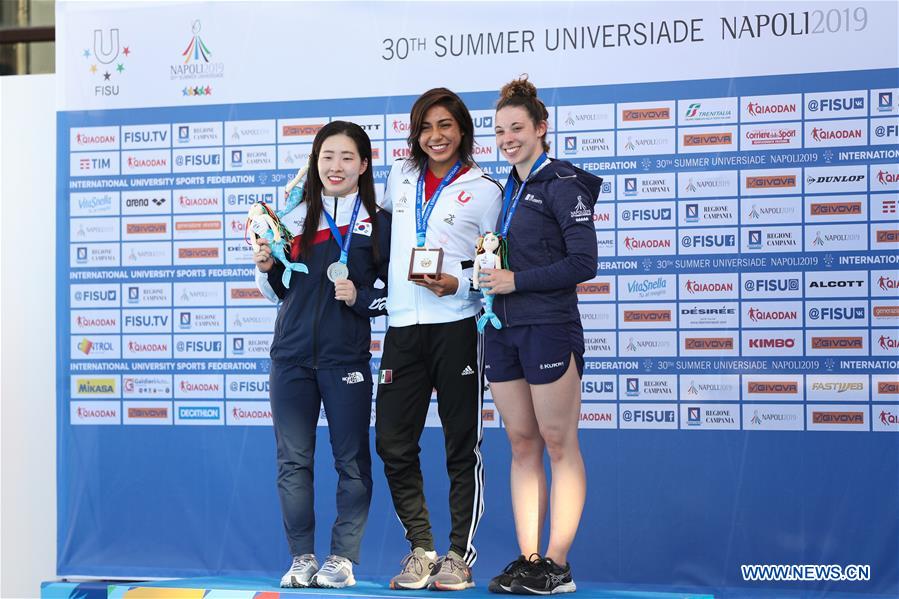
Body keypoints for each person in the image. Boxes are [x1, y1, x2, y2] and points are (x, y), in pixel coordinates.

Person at [253, 121, 390, 589]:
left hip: (345, 359)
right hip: (290, 358)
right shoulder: (294, 217)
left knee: (351, 462)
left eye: (347, 157)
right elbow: (279, 291)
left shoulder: (380, 222)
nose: (336, 166)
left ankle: (343, 558)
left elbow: (393, 294)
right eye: (327, 156)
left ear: (364, 165)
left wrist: (360, 296)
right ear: (315, 162)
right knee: (293, 461)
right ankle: (301, 557)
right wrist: (267, 266)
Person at [479, 76, 602, 595]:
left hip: (548, 328)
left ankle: (558, 564)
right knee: (521, 442)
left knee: (557, 441)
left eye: (517, 128)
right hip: (501, 330)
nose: (508, 138)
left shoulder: (563, 183)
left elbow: (584, 262)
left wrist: (517, 280)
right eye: (500, 130)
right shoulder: (503, 187)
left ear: (541, 129)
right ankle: (530, 558)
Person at [376, 87, 503, 591]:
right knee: (392, 441)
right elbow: (372, 230)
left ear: (463, 131)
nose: (436, 136)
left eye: (445, 125)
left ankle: (458, 555)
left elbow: (495, 260)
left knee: (460, 446)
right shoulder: (399, 178)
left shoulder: (487, 188)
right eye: (426, 127)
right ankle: (422, 548)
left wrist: (460, 282)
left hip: (457, 325)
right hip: (403, 327)